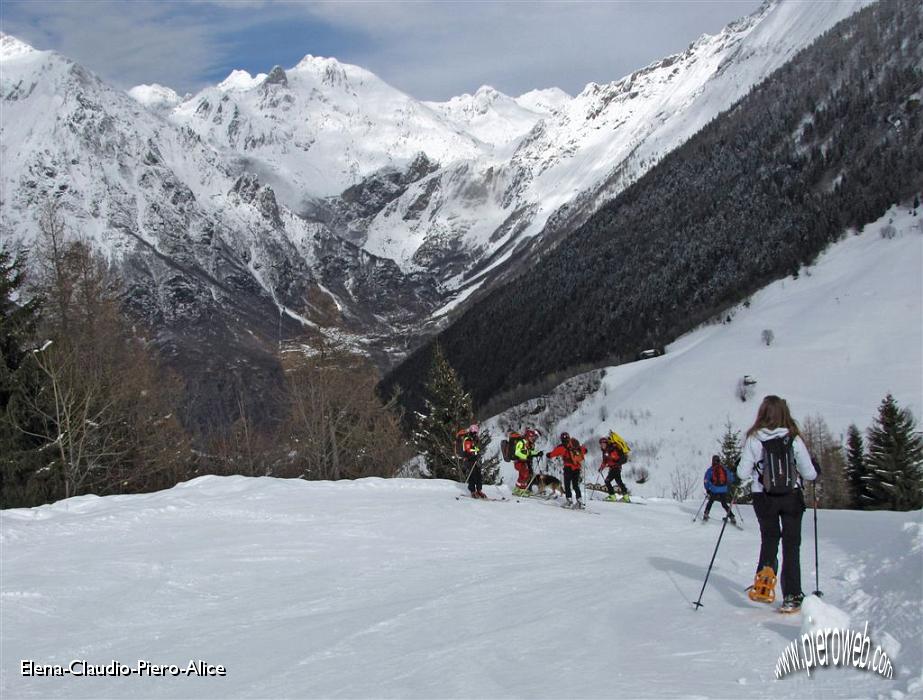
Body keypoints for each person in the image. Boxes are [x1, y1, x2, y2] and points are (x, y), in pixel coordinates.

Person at [738, 395, 817, 613]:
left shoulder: (754, 439)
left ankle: (763, 585)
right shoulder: (793, 438)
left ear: (762, 413)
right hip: (791, 497)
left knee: (770, 538)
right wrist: (814, 469)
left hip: (763, 497)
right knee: (791, 545)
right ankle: (792, 595)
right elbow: (809, 473)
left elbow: (742, 473)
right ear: (784, 412)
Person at [547, 432, 587, 508]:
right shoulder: (575, 444)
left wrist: (548, 454)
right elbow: (585, 450)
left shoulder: (562, 447)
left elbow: (552, 454)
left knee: (567, 485)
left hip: (568, 468)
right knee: (575, 485)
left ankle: (569, 501)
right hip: (577, 468)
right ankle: (580, 502)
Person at [703, 455, 737, 522]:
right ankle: (732, 517)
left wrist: (707, 489)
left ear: (712, 461)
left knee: (710, 502)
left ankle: (706, 514)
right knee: (724, 504)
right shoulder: (724, 468)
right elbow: (731, 478)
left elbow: (706, 480)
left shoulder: (710, 470)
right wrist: (728, 485)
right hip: (723, 489)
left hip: (714, 489)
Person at [598, 436, 630, 502]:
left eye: (603, 443)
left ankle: (612, 496)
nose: (602, 445)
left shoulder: (611, 450)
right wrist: (601, 468)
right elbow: (604, 461)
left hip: (615, 468)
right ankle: (626, 497)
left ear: (606, 443)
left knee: (607, 481)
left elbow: (615, 458)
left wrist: (612, 462)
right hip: (615, 468)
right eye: (601, 444)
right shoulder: (605, 451)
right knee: (619, 482)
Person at [462, 424, 486, 499]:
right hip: (469, 459)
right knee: (472, 475)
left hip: (476, 459)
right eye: (474, 431)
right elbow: (468, 449)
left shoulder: (475, 438)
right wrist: (477, 450)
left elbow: (478, 447)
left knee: (479, 475)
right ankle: (472, 491)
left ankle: (479, 490)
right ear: (471, 431)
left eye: (476, 431)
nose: (476, 433)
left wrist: (478, 451)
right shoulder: (467, 439)